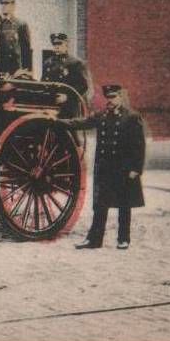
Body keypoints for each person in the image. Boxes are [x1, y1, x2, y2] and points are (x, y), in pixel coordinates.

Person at [62, 84, 146, 250]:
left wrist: (135, 168)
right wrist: (59, 122)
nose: (111, 100)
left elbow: (139, 145)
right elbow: (82, 122)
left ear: (121, 97)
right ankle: (94, 240)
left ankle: (123, 239)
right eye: (108, 97)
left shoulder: (131, 117)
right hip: (105, 168)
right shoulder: (102, 116)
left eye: (114, 97)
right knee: (100, 205)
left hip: (124, 168)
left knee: (124, 204)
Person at [41, 32, 91, 117]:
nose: (56, 47)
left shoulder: (75, 63)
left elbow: (83, 86)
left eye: (59, 44)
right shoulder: (48, 63)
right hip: (51, 104)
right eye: (54, 44)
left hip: (68, 106)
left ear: (66, 45)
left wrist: (67, 97)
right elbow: (43, 82)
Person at [0, 0, 32, 76]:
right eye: (2, 3)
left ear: (13, 5)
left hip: (14, 69)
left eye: (7, 3)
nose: (4, 6)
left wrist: (26, 70)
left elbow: (26, 50)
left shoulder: (21, 24)